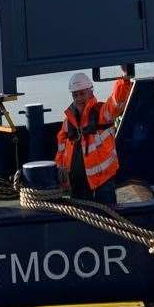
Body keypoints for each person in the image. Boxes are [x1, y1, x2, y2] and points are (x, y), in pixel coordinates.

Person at [54, 67, 134, 205]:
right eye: (75, 95)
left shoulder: (101, 113)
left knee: (107, 218)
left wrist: (124, 78)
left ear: (90, 92)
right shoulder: (68, 120)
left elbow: (116, 103)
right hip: (77, 184)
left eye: (82, 94)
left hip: (101, 183)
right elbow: (61, 147)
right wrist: (59, 167)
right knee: (82, 223)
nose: (79, 98)